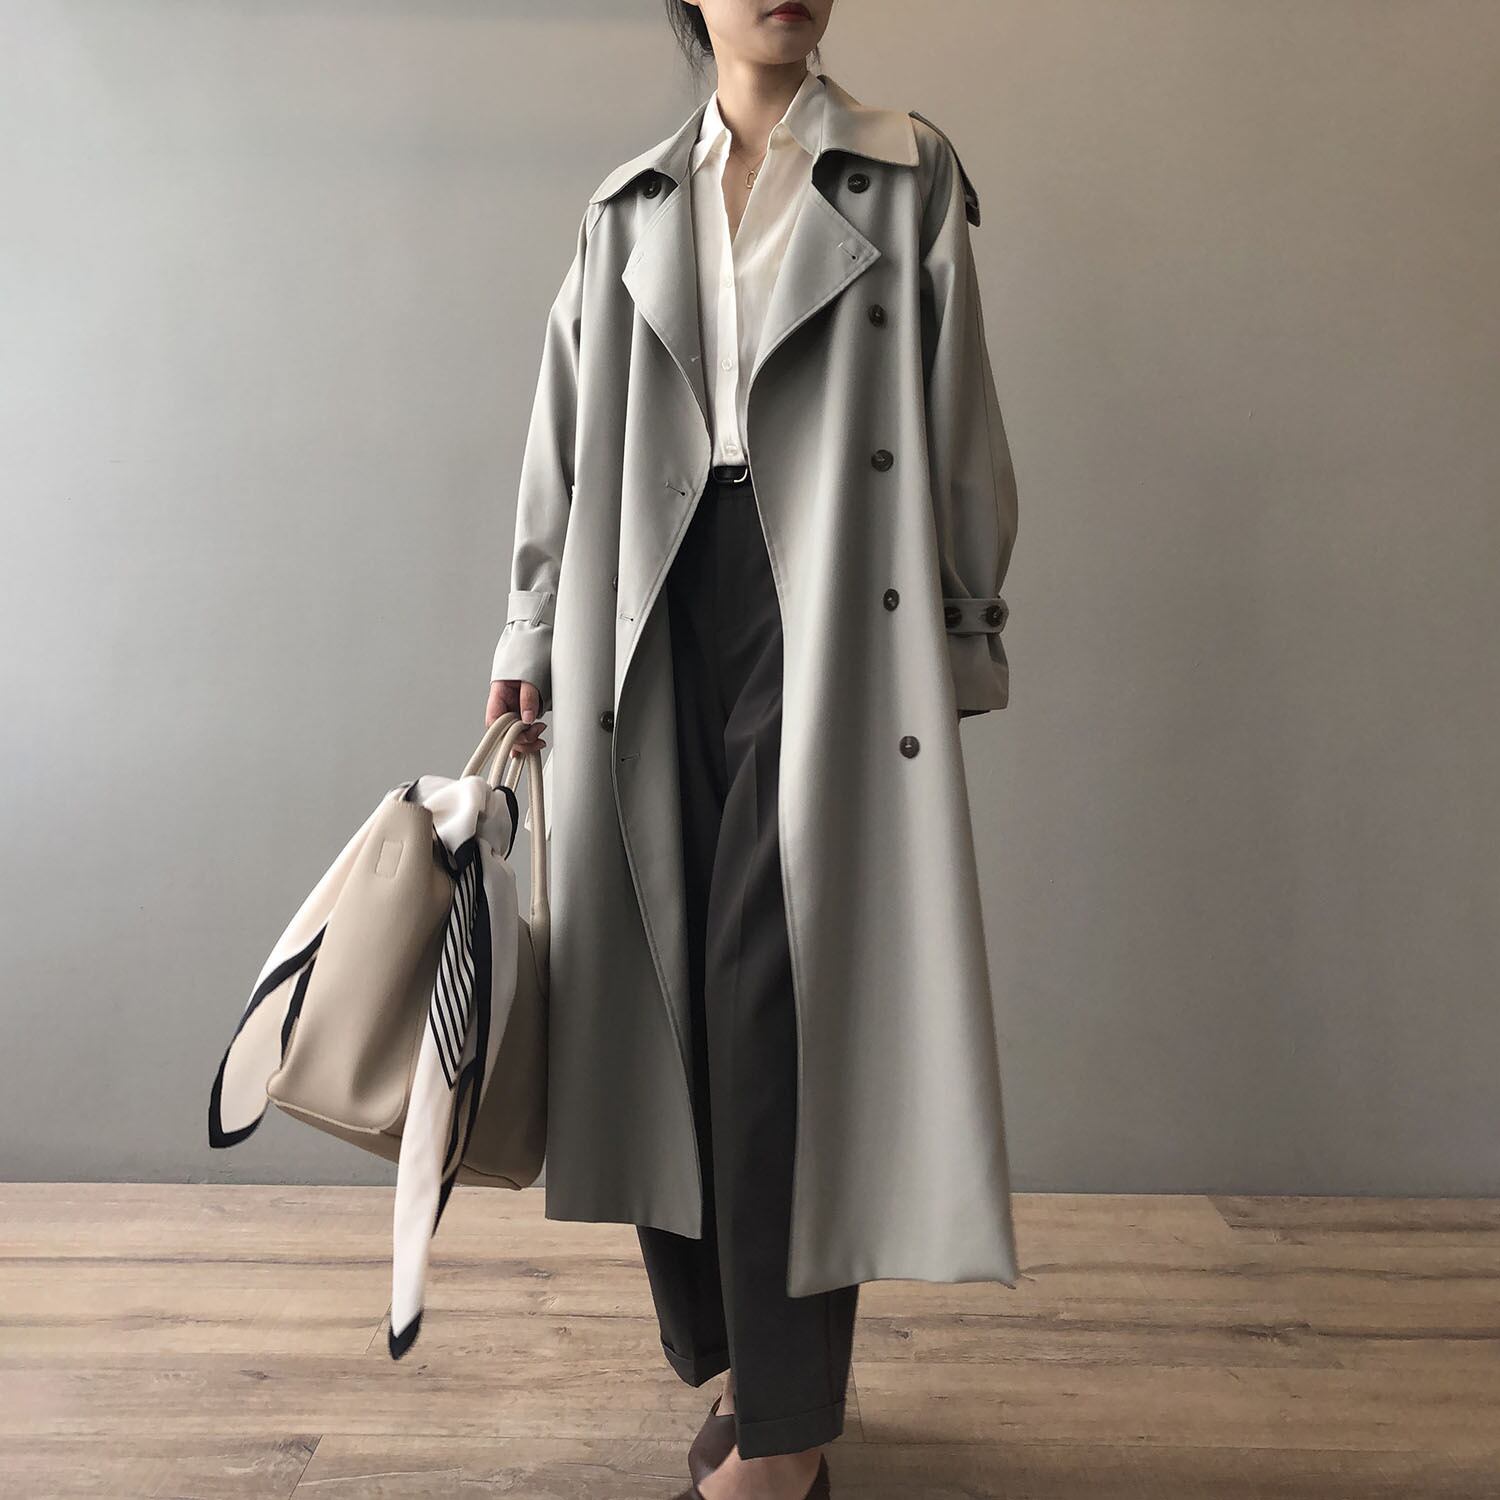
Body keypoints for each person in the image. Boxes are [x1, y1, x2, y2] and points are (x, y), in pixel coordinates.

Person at [486, 4, 1021, 1497]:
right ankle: (739, 1368)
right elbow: (566, 430)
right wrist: (529, 628)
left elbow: (959, 414)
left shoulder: (903, 173)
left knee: (773, 1005)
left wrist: (964, 626)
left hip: (832, 606)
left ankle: (788, 1437)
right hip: (642, 607)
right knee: (656, 997)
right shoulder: (626, 207)